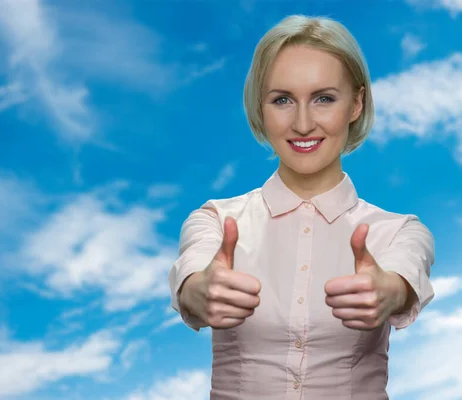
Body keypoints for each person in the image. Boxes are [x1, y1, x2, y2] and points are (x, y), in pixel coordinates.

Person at [168, 14, 435, 400]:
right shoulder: (216, 219)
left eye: (324, 98)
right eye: (282, 100)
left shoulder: (399, 231)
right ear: (260, 107)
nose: (304, 123)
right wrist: (198, 291)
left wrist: (389, 292)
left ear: (356, 104)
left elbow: (403, 281)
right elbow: (192, 274)